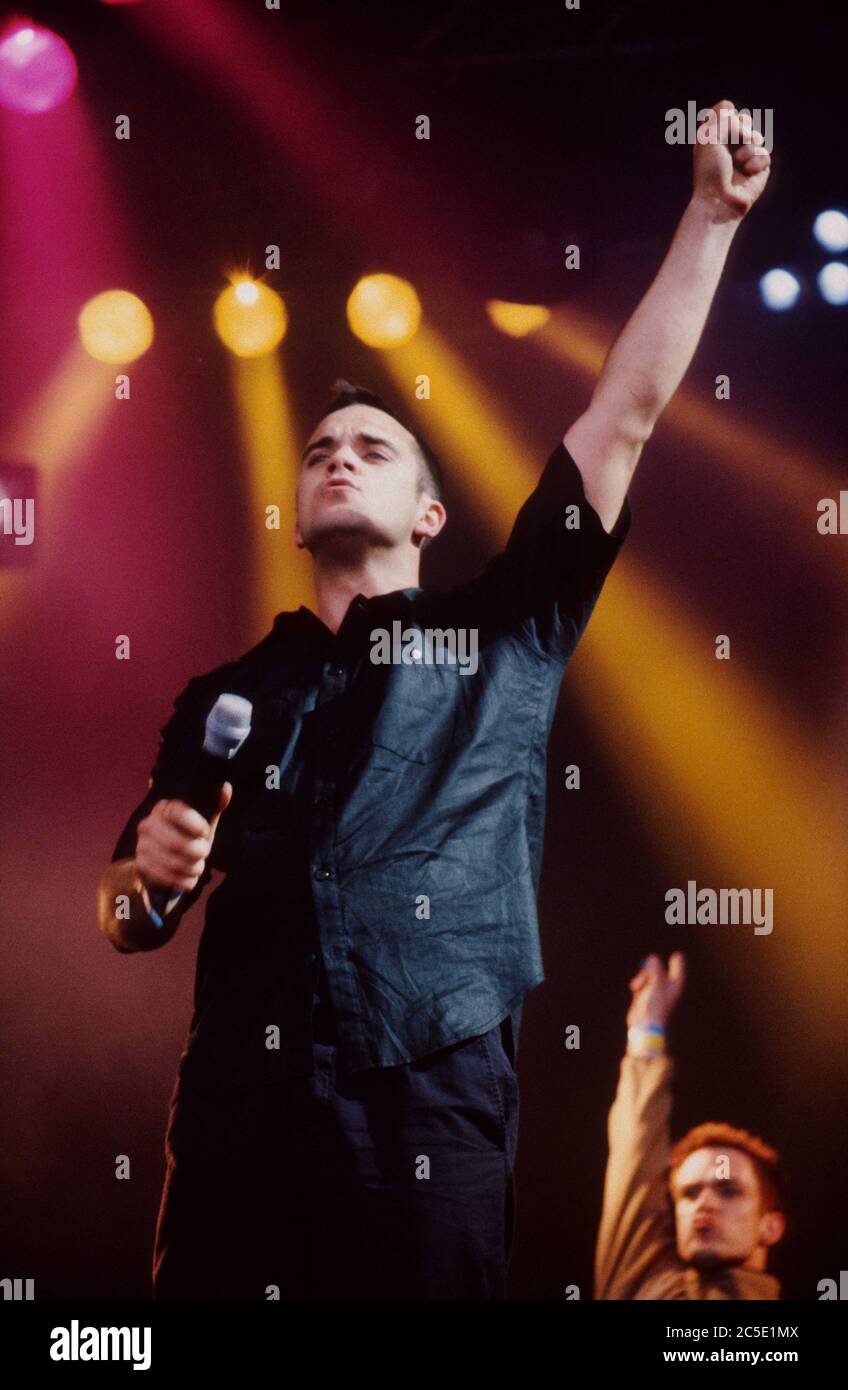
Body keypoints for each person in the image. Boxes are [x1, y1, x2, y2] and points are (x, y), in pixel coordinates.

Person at [97, 101, 771, 1299]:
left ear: (427, 515)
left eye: (369, 446)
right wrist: (143, 878)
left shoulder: (507, 628)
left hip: (424, 1099)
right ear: (292, 513)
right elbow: (125, 913)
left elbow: (620, 415)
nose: (336, 456)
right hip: (234, 1114)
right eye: (316, 451)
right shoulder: (225, 692)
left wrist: (709, 220)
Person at [594, 953, 786, 1300]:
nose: (705, 1204)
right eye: (689, 1193)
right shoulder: (641, 1285)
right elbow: (635, 1148)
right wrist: (646, 1027)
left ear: (770, 1226)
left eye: (729, 1190)